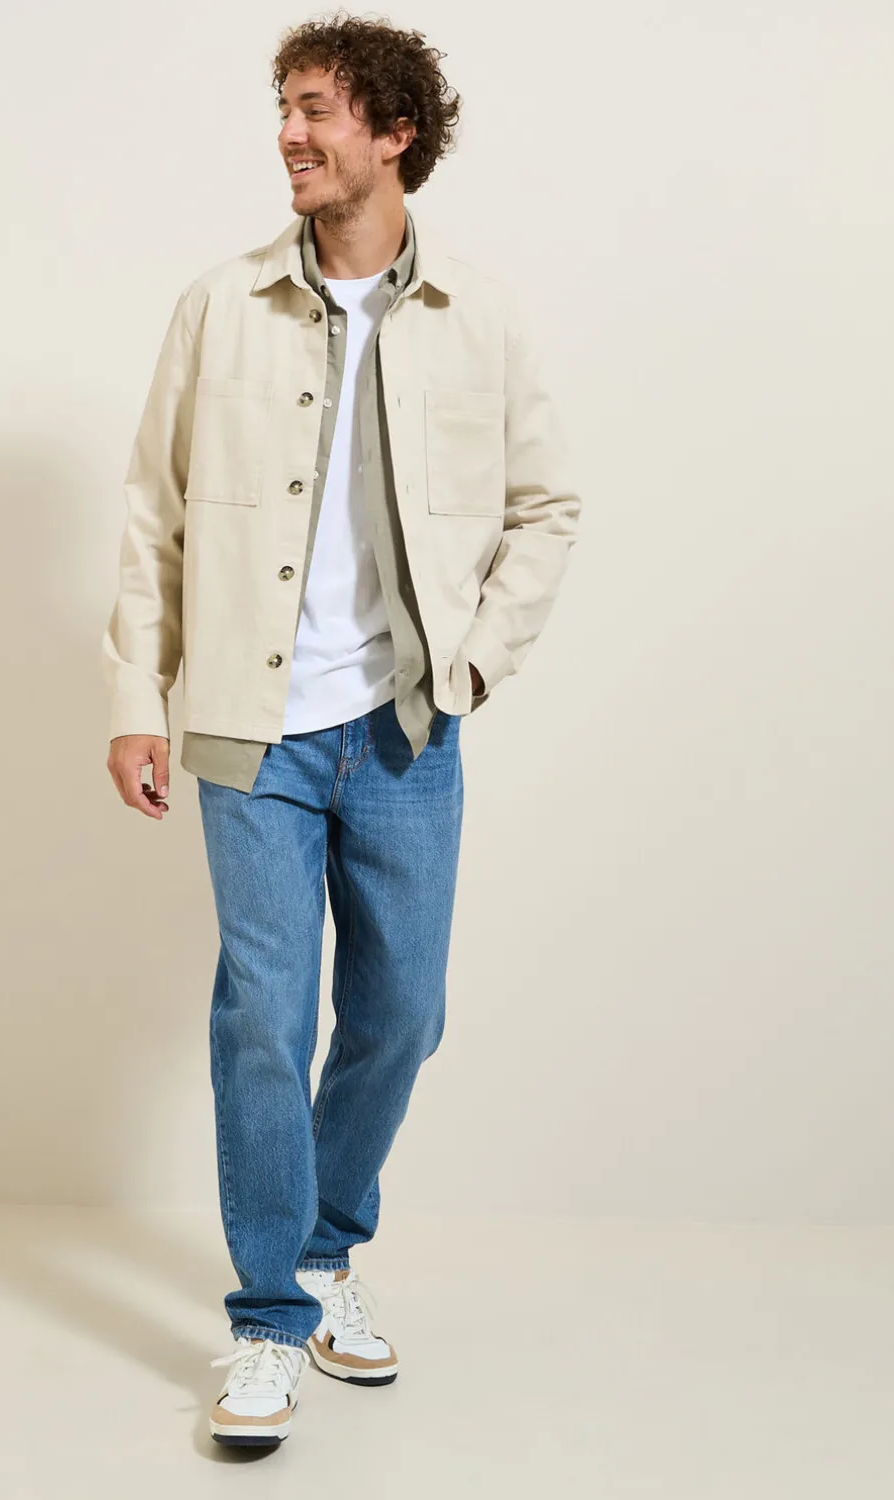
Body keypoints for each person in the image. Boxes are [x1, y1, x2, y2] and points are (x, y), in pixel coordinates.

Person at [101, 14, 580, 1447]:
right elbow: (153, 512)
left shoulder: (480, 318)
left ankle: (323, 1248)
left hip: (405, 730)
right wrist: (136, 698)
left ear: (395, 134)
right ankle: (266, 1323)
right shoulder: (221, 306)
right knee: (262, 1014)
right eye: (286, 108)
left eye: (317, 110)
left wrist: (472, 668)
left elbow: (547, 507)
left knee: (399, 1016)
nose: (290, 135)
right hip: (249, 730)